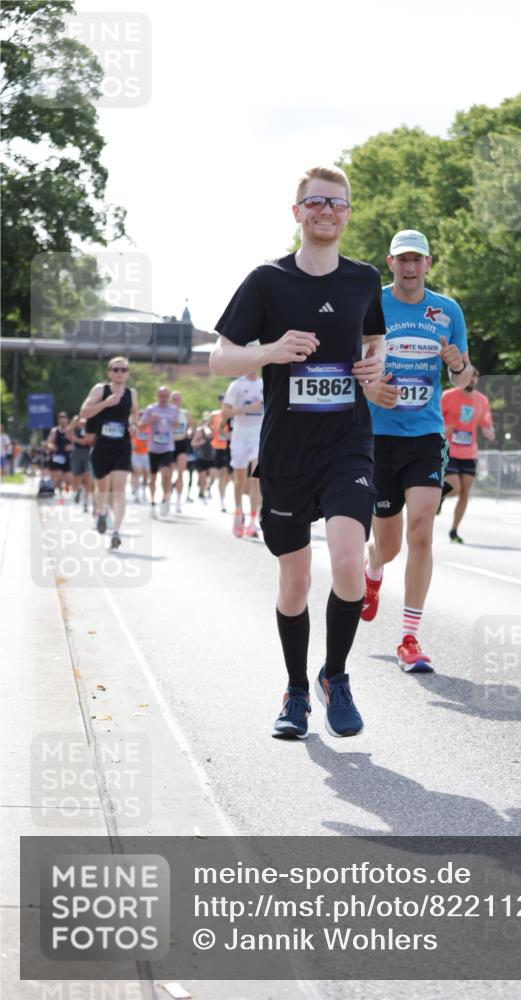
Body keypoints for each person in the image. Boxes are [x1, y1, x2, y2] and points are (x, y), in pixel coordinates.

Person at [210, 164, 393, 740]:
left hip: (348, 443)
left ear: (347, 214)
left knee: (346, 568)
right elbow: (220, 358)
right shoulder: (267, 281)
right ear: (297, 213)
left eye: (337, 204)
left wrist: (375, 367)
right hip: (287, 451)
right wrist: (272, 350)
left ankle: (334, 677)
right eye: (315, 202)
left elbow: (375, 337)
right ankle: (294, 692)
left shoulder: (363, 279)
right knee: (293, 582)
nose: (326, 211)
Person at [361, 230, 471, 672]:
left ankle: (409, 637)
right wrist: (370, 390)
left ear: (429, 264)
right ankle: (373, 566)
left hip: (425, 435)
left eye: (417, 260)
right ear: (390, 263)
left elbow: (464, 378)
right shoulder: (373, 305)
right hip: (378, 437)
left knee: (422, 531)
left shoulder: (447, 311)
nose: (410, 267)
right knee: (387, 545)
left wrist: (457, 364)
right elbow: (353, 364)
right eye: (402, 259)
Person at [80, 356, 138, 549]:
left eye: (123, 370)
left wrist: (134, 425)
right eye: (115, 369)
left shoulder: (132, 393)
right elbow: (84, 413)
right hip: (102, 446)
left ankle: (116, 531)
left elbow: (134, 414)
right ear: (109, 372)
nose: (119, 373)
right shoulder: (100, 390)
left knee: (119, 489)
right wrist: (105, 404)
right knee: (103, 488)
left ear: (128, 373)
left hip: (122, 445)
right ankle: (102, 512)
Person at [441, 367, 495, 542]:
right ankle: (439, 498)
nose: (472, 380)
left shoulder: (482, 400)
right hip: (449, 449)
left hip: (470, 452)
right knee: (454, 489)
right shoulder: (448, 396)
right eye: (469, 377)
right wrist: (443, 429)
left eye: (475, 378)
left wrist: (489, 431)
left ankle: (454, 531)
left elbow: (487, 423)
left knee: (465, 493)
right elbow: (434, 419)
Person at [221, 369, 264, 537]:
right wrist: (246, 409)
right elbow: (225, 413)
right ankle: (238, 513)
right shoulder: (237, 385)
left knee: (255, 479)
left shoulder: (264, 384)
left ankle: (253, 521)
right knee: (240, 481)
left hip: (258, 436)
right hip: (240, 436)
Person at [139, 386, 179, 517]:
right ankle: (152, 503)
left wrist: (174, 422)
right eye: (161, 396)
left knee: (166, 474)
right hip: (153, 448)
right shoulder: (151, 409)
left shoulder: (173, 409)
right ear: (157, 396)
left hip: (167, 447)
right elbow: (140, 426)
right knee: (153, 477)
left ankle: (165, 499)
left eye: (166, 396)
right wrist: (151, 420)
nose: (164, 399)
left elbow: (176, 426)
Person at [170, 390, 194, 513]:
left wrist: (190, 432)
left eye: (178, 399)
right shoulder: (166, 412)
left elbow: (191, 426)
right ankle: (167, 496)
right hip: (169, 444)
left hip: (182, 444)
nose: (177, 401)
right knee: (168, 474)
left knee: (180, 473)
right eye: (174, 399)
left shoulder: (185, 413)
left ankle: (178, 501)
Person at [208, 400, 233, 510]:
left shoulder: (234, 415)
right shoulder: (215, 414)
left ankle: (223, 495)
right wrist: (210, 431)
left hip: (231, 448)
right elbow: (207, 426)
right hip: (218, 447)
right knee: (222, 474)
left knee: (228, 477)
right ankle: (222, 501)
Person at [66, 415, 93, 511]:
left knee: (87, 478)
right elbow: (68, 434)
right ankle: (78, 491)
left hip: (88, 454)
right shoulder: (75, 429)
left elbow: (87, 441)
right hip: (76, 453)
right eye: (81, 422)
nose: (83, 424)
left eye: (85, 422)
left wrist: (76, 440)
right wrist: (72, 423)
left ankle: (85, 502)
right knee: (76, 478)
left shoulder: (90, 428)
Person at [45, 411, 73, 498]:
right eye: (61, 419)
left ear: (67, 420)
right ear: (58, 421)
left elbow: (76, 442)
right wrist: (51, 446)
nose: (63, 421)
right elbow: (49, 442)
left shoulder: (71, 430)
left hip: (68, 457)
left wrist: (72, 446)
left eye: (64, 419)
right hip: (58, 456)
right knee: (59, 477)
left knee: (69, 479)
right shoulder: (55, 431)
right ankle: (60, 495)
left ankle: (68, 490)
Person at [191, 412, 215, 499]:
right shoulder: (199, 430)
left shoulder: (213, 429)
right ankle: (201, 492)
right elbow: (193, 443)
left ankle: (208, 487)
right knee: (202, 476)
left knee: (213, 475)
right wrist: (200, 442)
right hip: (201, 457)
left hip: (212, 457)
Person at [130, 410, 150, 502]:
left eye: (143, 415)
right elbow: (129, 438)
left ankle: (144, 492)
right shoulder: (134, 428)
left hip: (146, 454)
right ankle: (136, 493)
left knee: (146, 475)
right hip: (136, 453)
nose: (141, 417)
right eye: (140, 415)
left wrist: (149, 444)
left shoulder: (150, 428)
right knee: (137, 472)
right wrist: (132, 444)